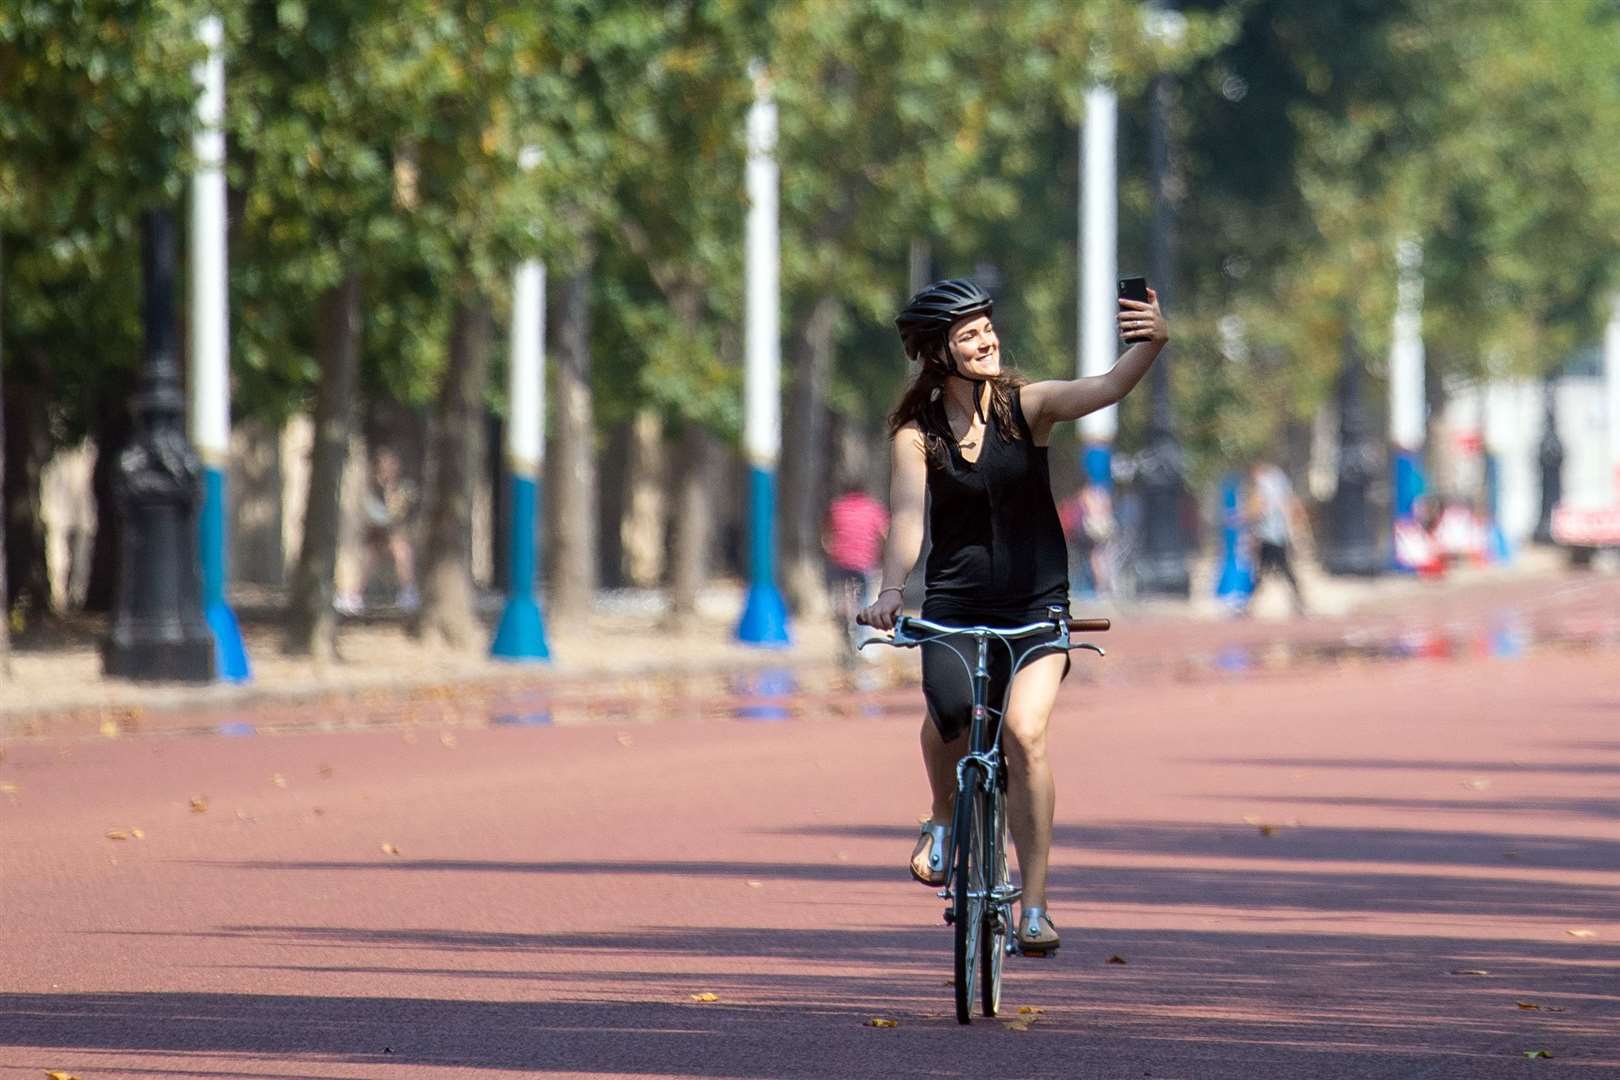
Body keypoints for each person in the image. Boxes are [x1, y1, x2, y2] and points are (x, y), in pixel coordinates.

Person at [859, 276, 1168, 955]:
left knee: (1025, 735)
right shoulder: (917, 435)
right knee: (949, 712)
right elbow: (908, 518)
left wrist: (1150, 345)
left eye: (988, 327)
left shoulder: (1027, 407)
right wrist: (890, 590)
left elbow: (1105, 388)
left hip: (1036, 609)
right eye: (969, 334)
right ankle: (942, 818)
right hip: (955, 606)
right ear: (939, 353)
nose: (986, 340)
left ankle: (1033, 905)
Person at [336, 446, 419, 615]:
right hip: (375, 536)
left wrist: (391, 493)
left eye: (393, 464)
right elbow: (371, 514)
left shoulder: (405, 487)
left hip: (397, 535)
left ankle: (408, 592)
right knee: (369, 553)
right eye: (386, 464)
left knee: (401, 549)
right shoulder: (369, 489)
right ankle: (352, 595)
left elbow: (398, 514)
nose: (390, 468)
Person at [821, 480, 890, 662]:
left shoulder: (836, 507)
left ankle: (844, 626)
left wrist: (831, 551)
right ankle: (862, 643)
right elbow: (885, 533)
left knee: (842, 597)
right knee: (864, 600)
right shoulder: (873, 508)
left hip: (840, 561)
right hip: (864, 563)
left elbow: (826, 536)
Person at [1242, 461, 1309, 617]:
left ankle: (1249, 604)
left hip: (1270, 535)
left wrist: (1247, 518)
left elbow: (1259, 508)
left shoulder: (1266, 485)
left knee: (1274, 570)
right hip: (1277, 535)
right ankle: (1298, 602)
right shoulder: (1279, 484)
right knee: (1274, 570)